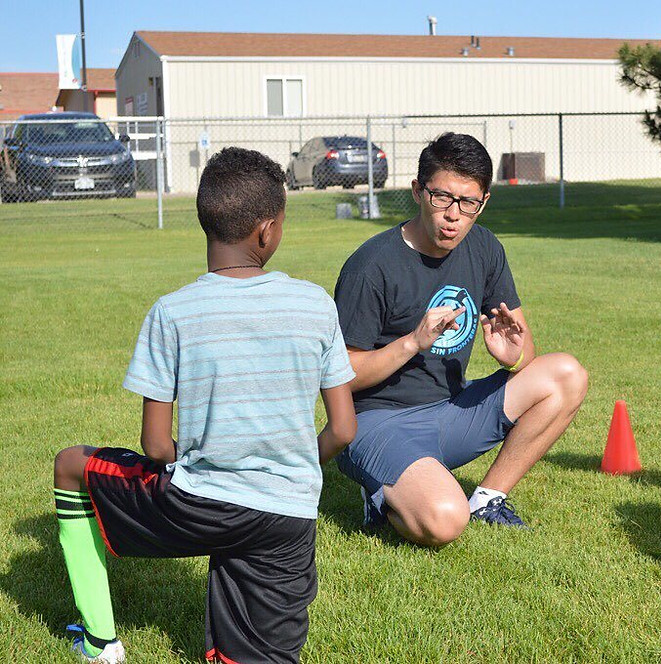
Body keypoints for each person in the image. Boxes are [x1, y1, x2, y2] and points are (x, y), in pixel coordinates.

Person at [52, 147, 357, 663]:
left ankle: (101, 642)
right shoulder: (315, 304)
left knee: (70, 464)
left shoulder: (171, 312)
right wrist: (289, 464)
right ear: (268, 230)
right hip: (289, 515)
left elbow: (155, 445)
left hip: (198, 504)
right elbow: (343, 429)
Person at [334, 132, 588, 546]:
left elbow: (527, 356)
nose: (454, 215)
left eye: (468, 203)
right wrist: (411, 342)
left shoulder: (484, 247)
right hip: (376, 423)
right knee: (444, 521)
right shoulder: (371, 266)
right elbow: (338, 379)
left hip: (451, 410)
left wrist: (513, 356)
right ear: (418, 192)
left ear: (483, 202)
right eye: (442, 198)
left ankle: (487, 499)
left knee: (566, 374)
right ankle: (383, 496)